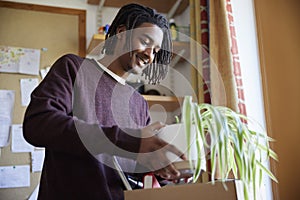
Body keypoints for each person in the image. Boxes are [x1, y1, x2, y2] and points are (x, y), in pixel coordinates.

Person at [23, 3, 186, 200]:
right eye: (145, 41)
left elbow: (132, 167)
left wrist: (164, 170)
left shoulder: (138, 103)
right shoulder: (73, 68)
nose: (150, 56)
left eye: (156, 50)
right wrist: (128, 139)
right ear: (122, 33)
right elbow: (38, 124)